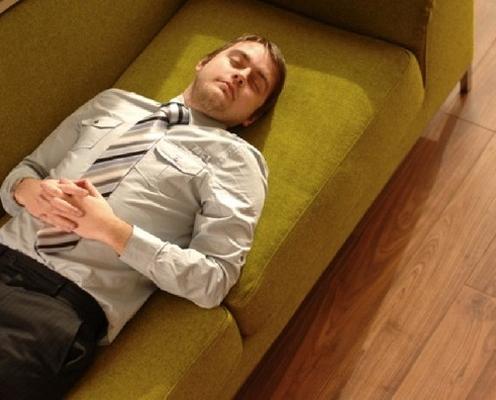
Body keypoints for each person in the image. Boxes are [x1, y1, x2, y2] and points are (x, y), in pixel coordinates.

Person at [0, 33, 286, 399]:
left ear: (252, 117)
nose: (241, 76)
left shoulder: (238, 161)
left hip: (52, 308)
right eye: (237, 61)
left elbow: (214, 280)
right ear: (203, 61)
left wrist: (112, 230)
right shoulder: (113, 102)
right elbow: (29, 169)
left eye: (256, 82)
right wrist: (26, 190)